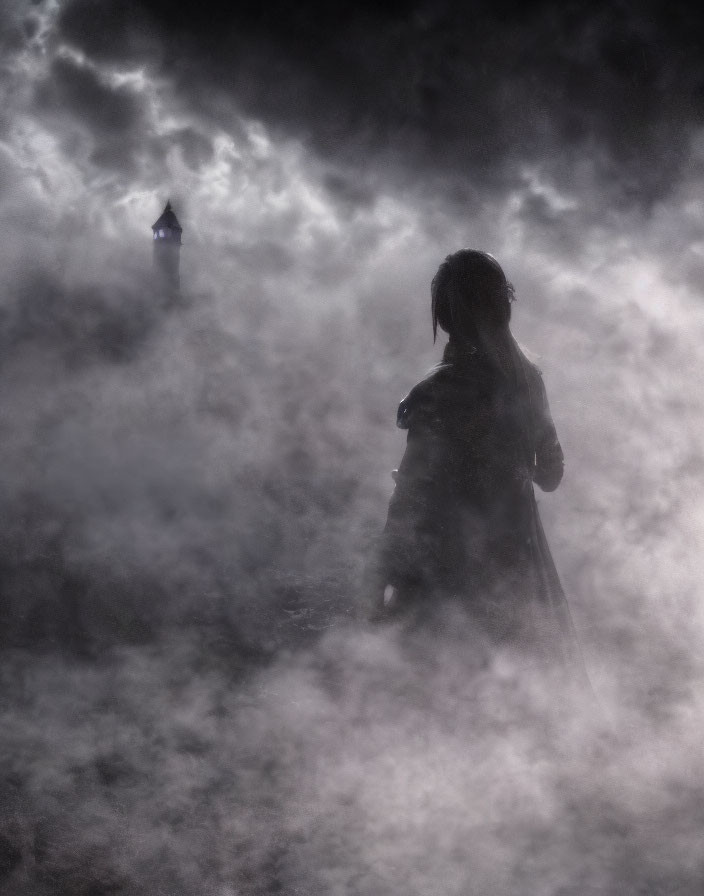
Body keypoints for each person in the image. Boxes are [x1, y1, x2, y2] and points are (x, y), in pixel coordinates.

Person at [368, 249, 584, 670]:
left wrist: (382, 569)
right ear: (503, 308)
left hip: (450, 561)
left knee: (440, 691)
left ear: (447, 317)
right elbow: (552, 475)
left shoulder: (437, 394)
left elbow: (411, 494)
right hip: (520, 556)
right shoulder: (528, 381)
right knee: (528, 685)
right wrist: (517, 474)